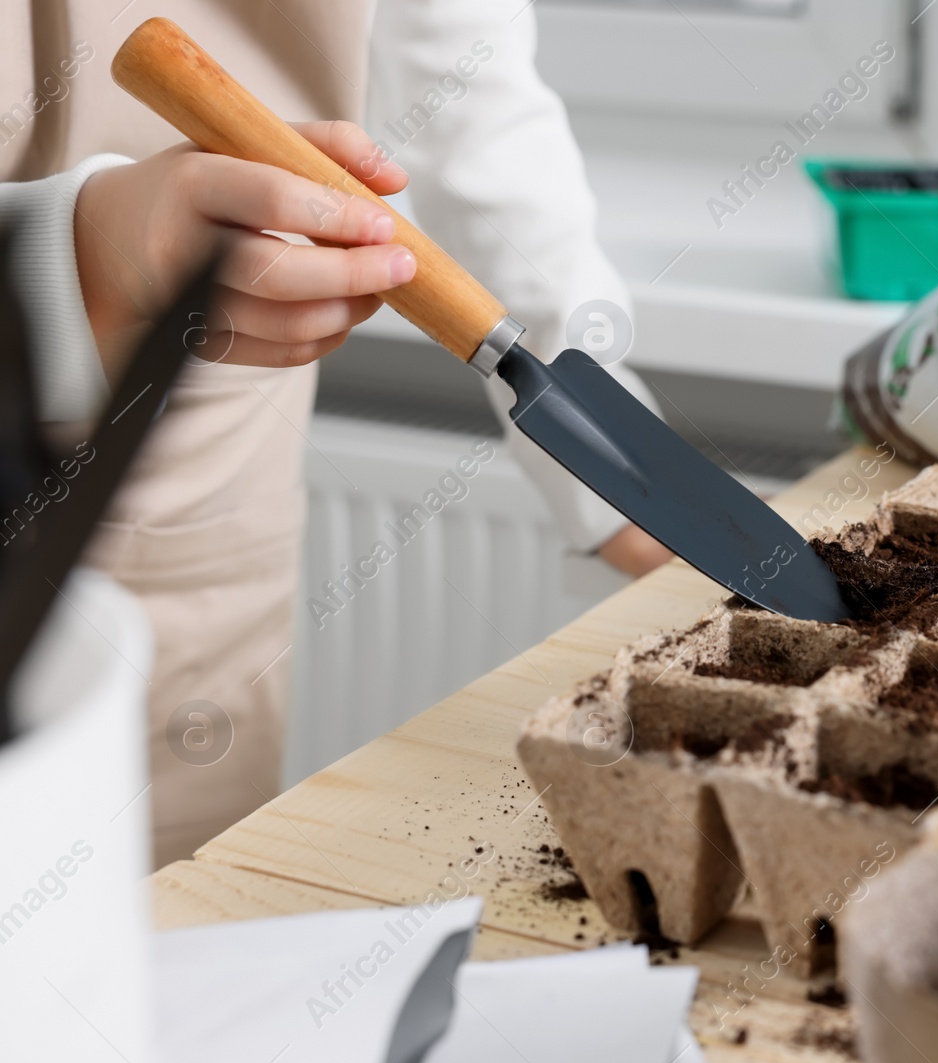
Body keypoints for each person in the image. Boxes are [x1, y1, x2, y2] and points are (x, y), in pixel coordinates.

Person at [0, 0, 669, 866]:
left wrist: (617, 489)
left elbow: (475, 100)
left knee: (161, 956)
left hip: (190, 528)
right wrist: (65, 256)